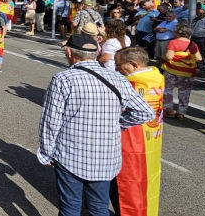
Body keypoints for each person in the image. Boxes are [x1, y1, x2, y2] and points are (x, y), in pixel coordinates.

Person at [37, 34, 155, 216]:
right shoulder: (118, 79)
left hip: (71, 154)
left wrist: (47, 152)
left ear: (69, 52)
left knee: (70, 207)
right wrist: (118, 123)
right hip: (107, 157)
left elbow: (51, 121)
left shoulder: (63, 79)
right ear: (97, 52)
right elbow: (145, 112)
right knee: (99, 207)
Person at [111, 47, 164, 216]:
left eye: (119, 65)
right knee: (148, 185)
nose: (116, 68)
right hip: (152, 140)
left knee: (126, 187)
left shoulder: (131, 84)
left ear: (133, 65)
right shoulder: (157, 76)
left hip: (132, 143)